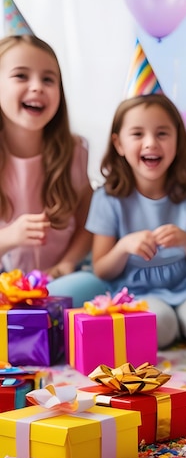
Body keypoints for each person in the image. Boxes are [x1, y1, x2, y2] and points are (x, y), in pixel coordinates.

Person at [86, 94, 186, 349]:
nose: (151, 143)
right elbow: (102, 268)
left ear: (178, 139)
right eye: (138, 134)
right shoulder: (107, 198)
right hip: (138, 291)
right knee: (159, 327)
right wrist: (122, 247)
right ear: (118, 144)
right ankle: (176, 326)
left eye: (162, 133)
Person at [0, 35, 105, 306]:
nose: (37, 87)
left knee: (94, 284)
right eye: (21, 76)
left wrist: (67, 264)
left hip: (57, 281)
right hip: (4, 281)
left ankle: (33, 317)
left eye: (48, 79)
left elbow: (87, 223)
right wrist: (9, 237)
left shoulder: (75, 152)